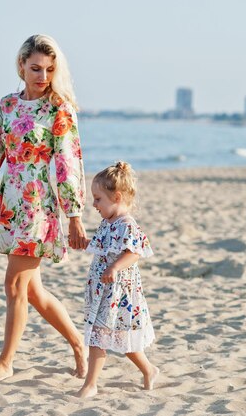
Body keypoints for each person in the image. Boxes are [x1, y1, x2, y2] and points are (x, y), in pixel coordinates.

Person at [0, 34, 89, 383]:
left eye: (49, 69)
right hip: (11, 204)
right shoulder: (8, 106)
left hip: (40, 205)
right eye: (36, 68)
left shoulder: (59, 108)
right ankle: (79, 345)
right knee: (32, 290)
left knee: (13, 284)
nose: (43, 76)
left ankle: (6, 361)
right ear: (22, 66)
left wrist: (75, 215)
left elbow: (69, 163)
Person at [78, 161, 159, 398]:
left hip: (119, 293)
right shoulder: (107, 223)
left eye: (98, 199)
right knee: (110, 337)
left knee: (102, 337)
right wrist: (85, 243)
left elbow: (135, 252)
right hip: (103, 290)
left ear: (117, 197)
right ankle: (149, 369)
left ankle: (90, 385)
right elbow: (102, 247)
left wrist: (115, 266)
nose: (93, 204)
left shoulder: (127, 225)